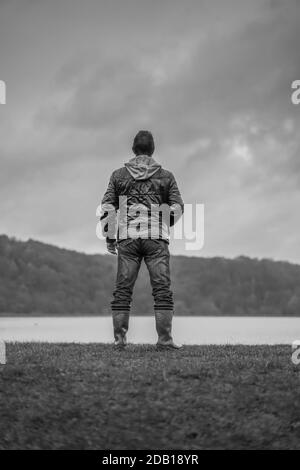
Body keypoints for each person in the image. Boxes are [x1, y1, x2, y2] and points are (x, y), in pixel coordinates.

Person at [100, 130, 184, 349]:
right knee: (162, 289)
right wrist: (165, 221)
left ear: (133, 150)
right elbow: (177, 206)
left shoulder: (118, 175)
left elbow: (109, 206)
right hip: (156, 238)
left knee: (123, 290)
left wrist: (110, 237)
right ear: (153, 149)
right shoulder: (166, 176)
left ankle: (119, 340)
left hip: (127, 238)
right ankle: (165, 340)